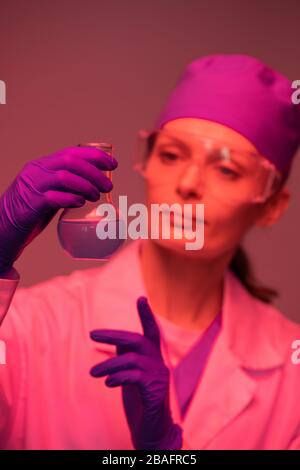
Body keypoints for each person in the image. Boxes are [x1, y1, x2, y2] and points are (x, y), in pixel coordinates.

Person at [1, 54, 300, 450]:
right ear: (148, 163)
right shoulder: (30, 326)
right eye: (172, 155)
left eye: (227, 170)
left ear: (271, 206)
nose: (188, 184)